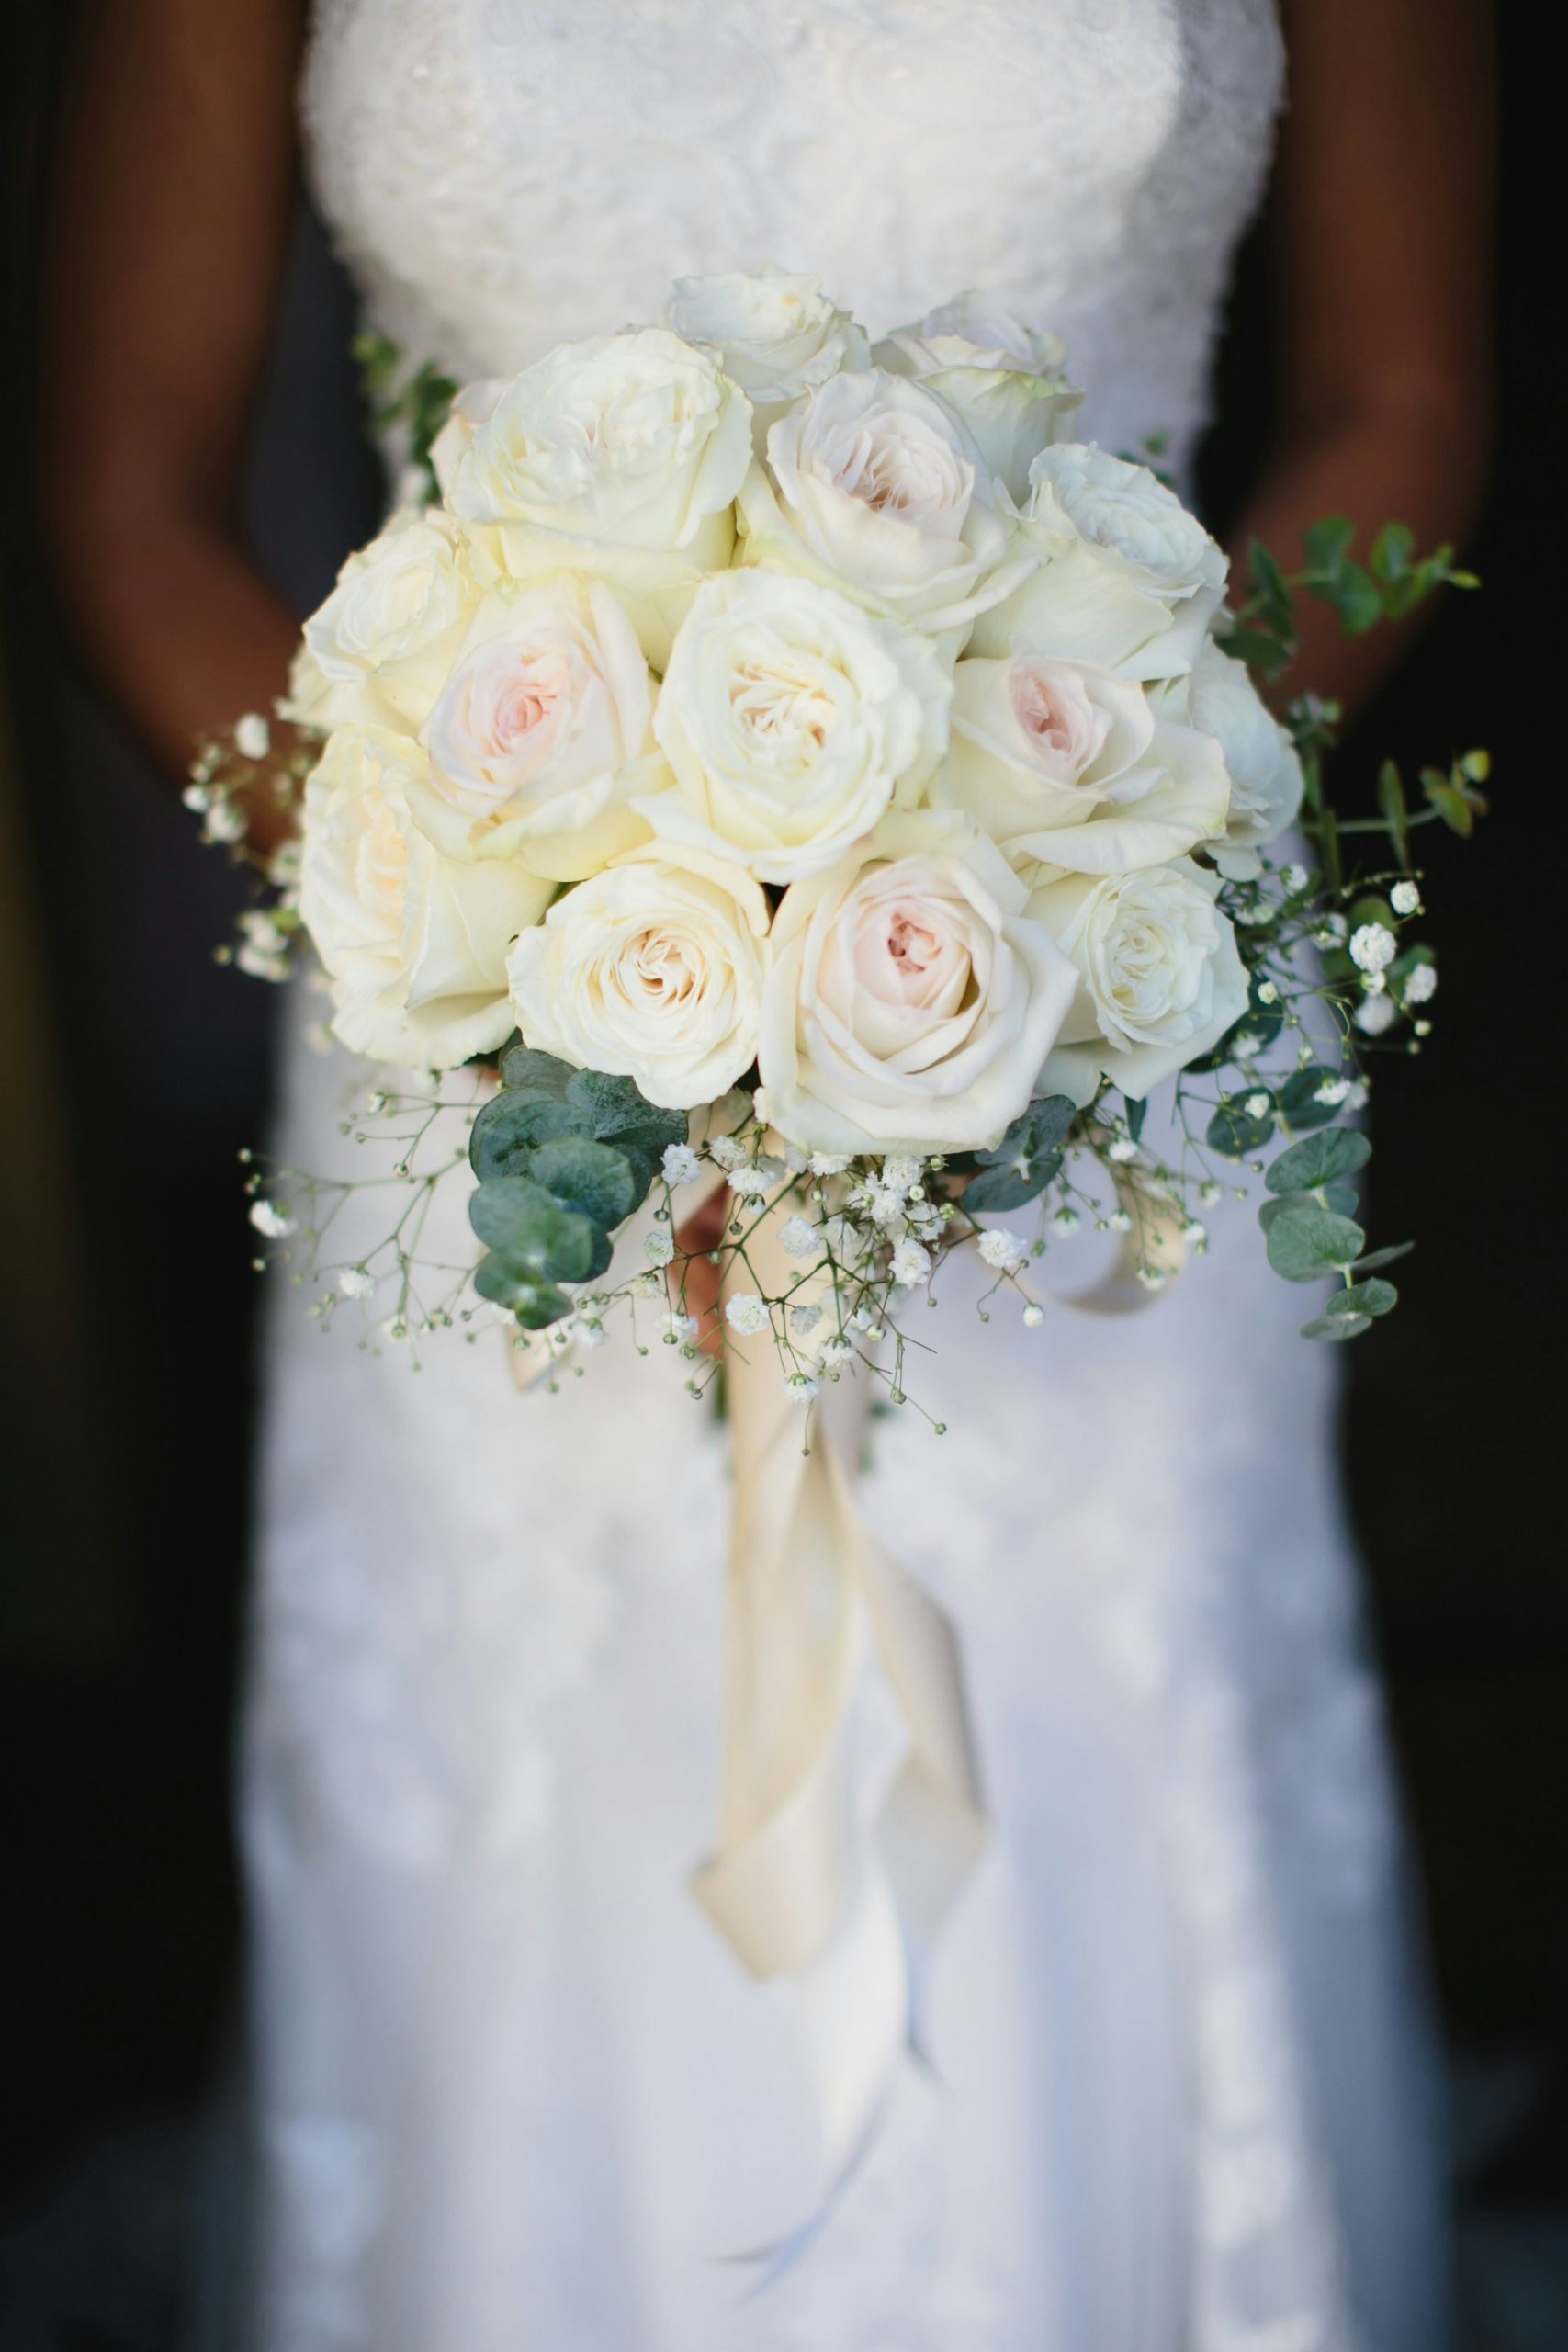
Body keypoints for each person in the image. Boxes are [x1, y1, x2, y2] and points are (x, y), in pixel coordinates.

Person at [43, 2, 1490, 2345]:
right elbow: (127, 496)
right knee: (546, 1849)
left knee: (1108, 1791)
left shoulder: (1091, 912)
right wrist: (560, 979)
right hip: (489, 1029)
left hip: (1108, 974)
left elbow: (1395, 402)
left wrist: (1048, 871)